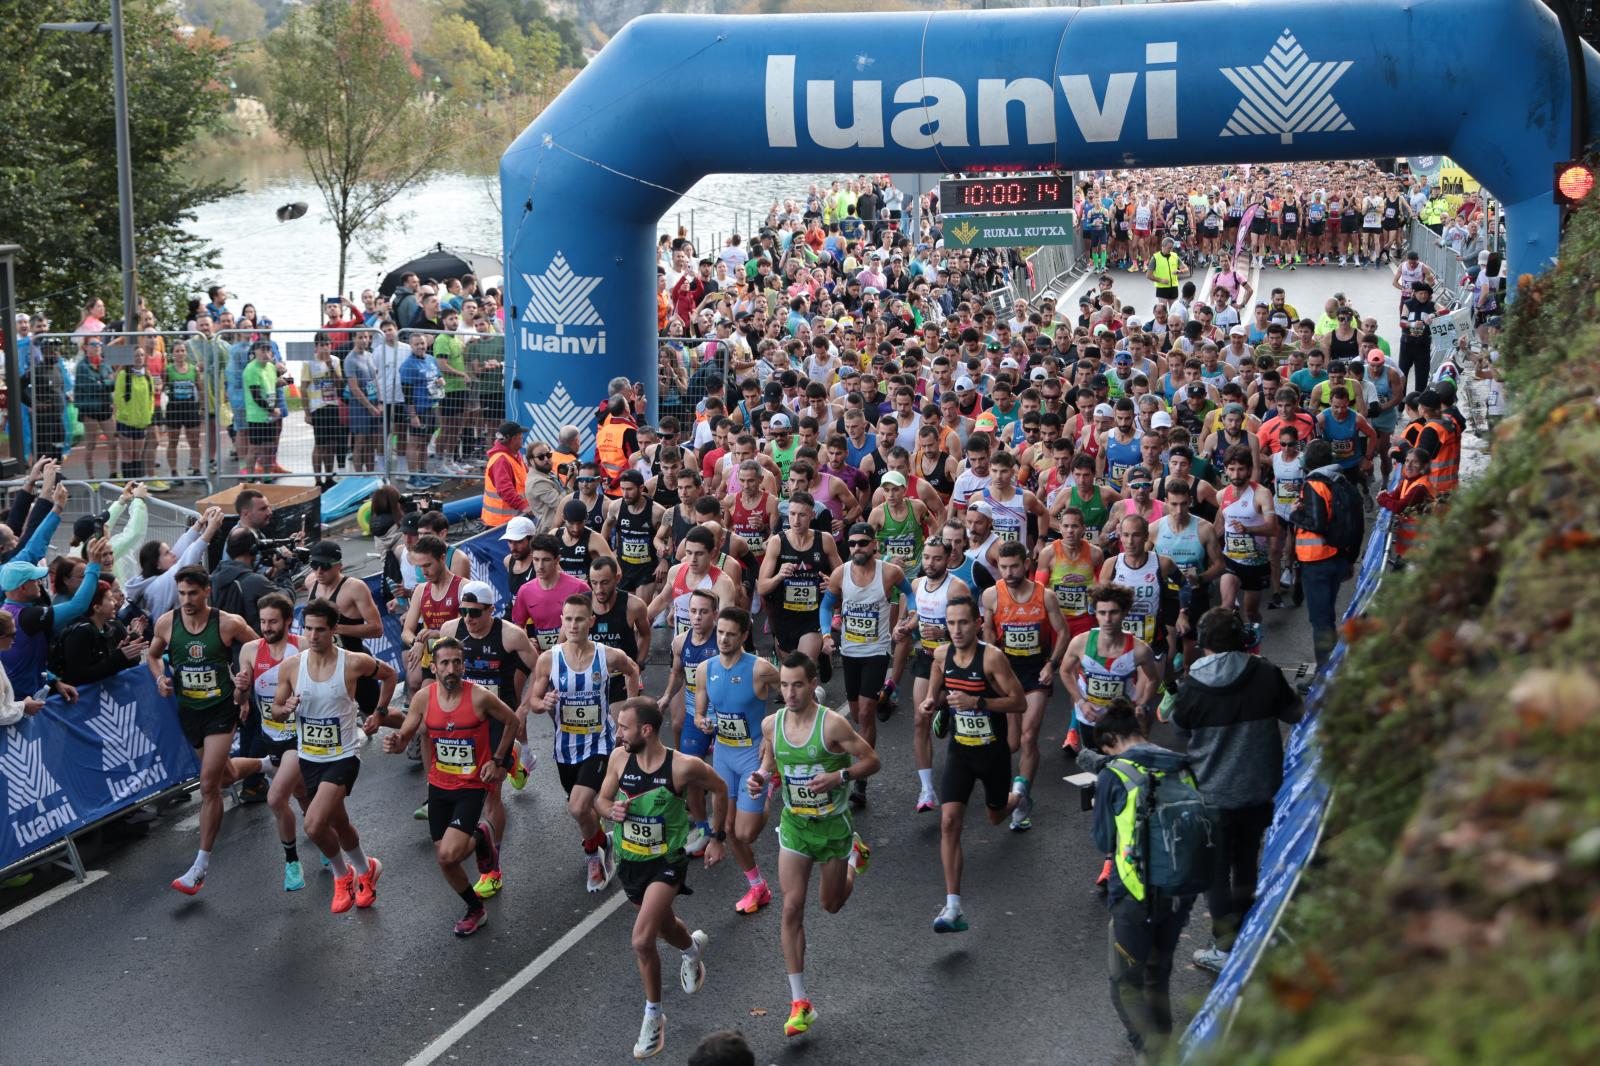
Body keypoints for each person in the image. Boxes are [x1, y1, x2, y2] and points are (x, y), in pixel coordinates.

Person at [745, 654, 880, 1039]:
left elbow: (872, 760)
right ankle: (800, 1003)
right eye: (784, 685)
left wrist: (840, 775)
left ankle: (854, 855)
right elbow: (769, 765)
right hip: (795, 826)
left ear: (812, 683)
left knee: (831, 905)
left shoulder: (832, 725)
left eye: (797, 685)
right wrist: (760, 778)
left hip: (833, 828)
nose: (789, 693)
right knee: (791, 907)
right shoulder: (772, 725)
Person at [1171, 607, 1303, 973]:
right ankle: (1244, 933)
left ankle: (1224, 945)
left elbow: (1180, 729)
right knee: (1246, 861)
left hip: (1211, 793)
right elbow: (1295, 713)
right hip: (1258, 788)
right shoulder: (1266, 674)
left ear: (1202, 643)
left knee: (1214, 870)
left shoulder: (1193, 685)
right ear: (1244, 640)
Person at [596, 696, 727, 1059]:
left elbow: (720, 788)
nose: (618, 732)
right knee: (665, 925)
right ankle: (691, 949)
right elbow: (600, 802)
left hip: (666, 861)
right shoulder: (619, 758)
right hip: (629, 861)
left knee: (642, 940)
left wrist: (717, 837)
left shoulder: (683, 767)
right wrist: (612, 809)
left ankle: (654, 1017)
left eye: (624, 727)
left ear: (646, 730)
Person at [1083, 699, 1199, 1063]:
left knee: (1124, 985)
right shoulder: (1178, 763)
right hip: (1182, 887)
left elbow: (1104, 840)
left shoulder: (1114, 775)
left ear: (1113, 739)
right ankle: (1164, 1042)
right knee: (1157, 972)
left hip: (1136, 893)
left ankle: (1152, 1054)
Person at [380, 636, 520, 936]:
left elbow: (511, 721)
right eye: (444, 663)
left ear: (463, 664)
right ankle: (475, 903)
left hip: (471, 785)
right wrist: (395, 743)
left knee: (448, 855)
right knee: (444, 857)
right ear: (435, 665)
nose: (451, 668)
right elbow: (406, 734)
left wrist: (497, 760)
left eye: (457, 662)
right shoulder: (424, 698)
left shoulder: (479, 697)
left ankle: (474, 900)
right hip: (439, 786)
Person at [270, 599, 396, 913]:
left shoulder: (353, 662)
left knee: (313, 826)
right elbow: (275, 708)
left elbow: (391, 675)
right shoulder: (292, 666)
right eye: (308, 629)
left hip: (342, 756)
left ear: (334, 629)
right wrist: (284, 710)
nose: (312, 636)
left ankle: (343, 876)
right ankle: (367, 868)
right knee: (339, 823)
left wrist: (379, 713)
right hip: (309, 758)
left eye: (320, 630)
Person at [146, 566, 259, 894]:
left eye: (193, 593)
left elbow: (259, 649)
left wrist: (244, 681)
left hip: (222, 709)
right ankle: (268, 764)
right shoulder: (167, 623)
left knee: (209, 786)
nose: (187, 600)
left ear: (206, 591)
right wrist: (159, 678)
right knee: (223, 776)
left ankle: (200, 866)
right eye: (182, 594)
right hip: (189, 712)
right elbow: (153, 656)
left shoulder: (227, 623)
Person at [521, 593, 642, 893]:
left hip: (599, 743)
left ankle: (593, 859)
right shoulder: (549, 659)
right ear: (561, 621)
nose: (573, 625)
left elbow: (632, 670)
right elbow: (533, 701)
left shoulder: (607, 655)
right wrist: (542, 701)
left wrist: (629, 710)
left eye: (579, 619)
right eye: (568, 619)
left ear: (591, 621)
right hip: (565, 747)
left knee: (577, 807)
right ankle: (603, 841)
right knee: (584, 810)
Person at [918, 595, 1026, 932]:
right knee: (949, 822)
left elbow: (1019, 702)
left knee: (995, 816)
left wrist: (977, 701)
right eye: (951, 623)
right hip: (961, 752)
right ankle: (953, 908)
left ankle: (1019, 795)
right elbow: (937, 667)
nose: (957, 629)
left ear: (978, 623)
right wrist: (931, 698)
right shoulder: (942, 652)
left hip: (992, 753)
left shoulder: (991, 658)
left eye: (963, 622)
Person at [437, 580, 541, 896]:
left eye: (476, 612)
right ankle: (514, 762)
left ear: (491, 611)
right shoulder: (452, 628)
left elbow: (541, 669)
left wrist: (523, 707)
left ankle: (493, 867)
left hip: (500, 719)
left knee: (490, 792)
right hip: (467, 717)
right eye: (464, 611)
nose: (468, 617)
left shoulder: (510, 635)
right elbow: (443, 670)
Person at [820, 522, 914, 809]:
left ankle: (861, 780)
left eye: (863, 543)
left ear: (875, 545)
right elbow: (826, 606)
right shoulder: (840, 574)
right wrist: (826, 634)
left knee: (864, 712)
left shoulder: (890, 573)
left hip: (876, 650)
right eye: (852, 544)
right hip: (850, 652)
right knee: (857, 718)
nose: (857, 548)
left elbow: (911, 593)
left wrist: (909, 617)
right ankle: (881, 706)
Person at [693, 607, 780, 914]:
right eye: (720, 633)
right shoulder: (705, 669)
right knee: (729, 830)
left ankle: (769, 787)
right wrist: (703, 720)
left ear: (745, 635)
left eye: (731, 634)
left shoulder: (760, 669)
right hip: (724, 756)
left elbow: (798, 695)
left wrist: (771, 736)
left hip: (753, 757)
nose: (724, 639)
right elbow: (701, 710)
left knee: (745, 833)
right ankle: (758, 887)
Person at [220, 593, 307, 891]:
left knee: (276, 798)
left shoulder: (302, 647)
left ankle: (292, 862)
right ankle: (324, 836)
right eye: (263, 622)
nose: (267, 627)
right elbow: (240, 699)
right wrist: (240, 690)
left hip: (301, 736)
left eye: (273, 621)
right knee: (303, 794)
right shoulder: (249, 650)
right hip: (271, 735)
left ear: (287, 620)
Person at [980, 539, 1069, 830]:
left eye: (1014, 566)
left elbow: (1063, 632)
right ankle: (1016, 791)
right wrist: (991, 656)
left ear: (1026, 564)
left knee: (1029, 737)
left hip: (1035, 674)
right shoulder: (992, 595)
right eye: (1003, 567)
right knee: (1012, 742)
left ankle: (1020, 797)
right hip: (1007, 674)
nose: (1009, 572)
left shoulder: (1046, 596)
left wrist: (1051, 664)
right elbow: (988, 630)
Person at [906, 537, 972, 811]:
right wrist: (905, 627)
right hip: (926, 659)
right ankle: (927, 789)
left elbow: (973, 629)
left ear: (947, 559)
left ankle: (945, 709)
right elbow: (913, 617)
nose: (930, 564)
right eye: (927, 558)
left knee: (958, 718)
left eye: (936, 558)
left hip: (955, 660)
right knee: (921, 718)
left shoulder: (957, 587)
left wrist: (944, 632)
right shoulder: (916, 585)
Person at [1290, 439, 1359, 668]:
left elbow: (1317, 523)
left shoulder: (1314, 483)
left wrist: (1295, 514)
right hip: (1337, 557)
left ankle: (1324, 675)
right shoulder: (1341, 480)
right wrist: (1350, 559)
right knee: (1327, 617)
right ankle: (1330, 665)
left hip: (1316, 562)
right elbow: (1356, 521)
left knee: (1321, 621)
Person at [303, 540, 386, 721]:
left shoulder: (354, 588)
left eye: (324, 566)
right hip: (323, 663)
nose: (319, 571)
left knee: (375, 713)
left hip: (353, 661)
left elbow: (377, 629)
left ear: (339, 566)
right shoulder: (311, 582)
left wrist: (336, 629)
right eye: (314, 565)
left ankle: (410, 731)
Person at [511, 534, 591, 652]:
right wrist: (527, 640)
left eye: (546, 560)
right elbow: (517, 625)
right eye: (536, 559)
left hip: (577, 654)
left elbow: (594, 622)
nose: (540, 566)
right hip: (543, 656)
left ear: (557, 560)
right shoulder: (525, 591)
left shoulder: (579, 587)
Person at [482, 421, 531, 527]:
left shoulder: (515, 455)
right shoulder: (501, 460)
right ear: (513, 439)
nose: (522, 437)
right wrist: (524, 506)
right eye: (520, 435)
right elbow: (505, 490)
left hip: (513, 519)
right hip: (501, 523)